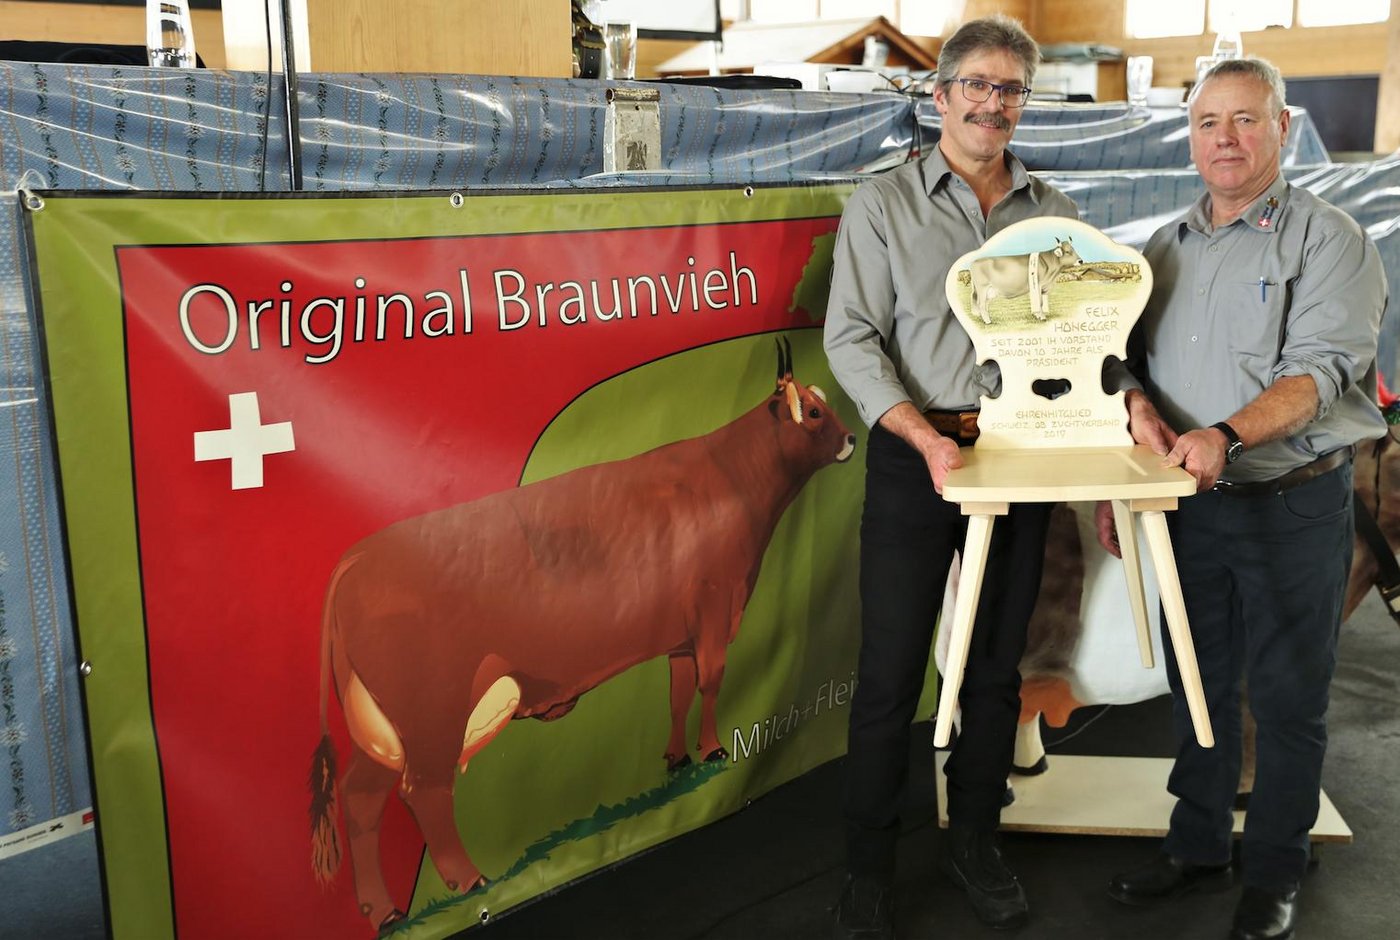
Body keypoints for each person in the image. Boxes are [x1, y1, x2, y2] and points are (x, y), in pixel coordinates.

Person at [1099, 58, 1387, 940]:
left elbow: (1319, 373)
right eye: (1207, 122)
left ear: (1284, 127)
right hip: (1189, 506)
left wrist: (1224, 437)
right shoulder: (1162, 249)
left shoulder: (1330, 239)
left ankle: (1275, 870)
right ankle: (1197, 847)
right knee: (1201, 684)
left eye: (1245, 121)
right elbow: (1125, 365)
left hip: (1290, 501)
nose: (1225, 139)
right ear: (1189, 136)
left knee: (1290, 695)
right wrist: (1131, 437)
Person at [822, 14, 1077, 939]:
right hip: (915, 451)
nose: (993, 104)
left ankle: (975, 843)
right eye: (977, 85)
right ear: (940, 97)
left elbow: (1088, 338)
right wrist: (920, 439)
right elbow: (850, 336)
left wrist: (1123, 401)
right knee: (890, 672)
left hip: (1022, 452)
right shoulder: (882, 202)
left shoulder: (1056, 215)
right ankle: (866, 868)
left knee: (995, 669)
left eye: (1010, 90)